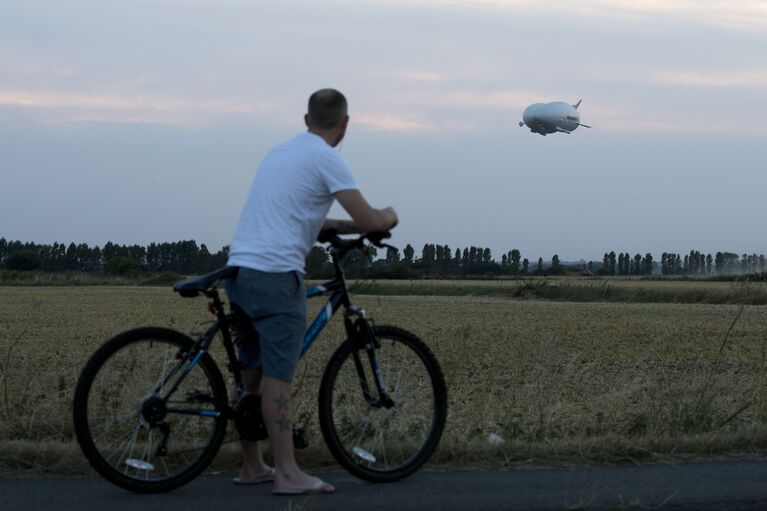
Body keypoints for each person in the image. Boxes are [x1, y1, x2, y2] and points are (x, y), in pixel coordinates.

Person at [225, 88, 398, 495]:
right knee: (277, 379)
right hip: (275, 277)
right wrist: (389, 216)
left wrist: (344, 228)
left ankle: (253, 466)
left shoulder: (280, 153)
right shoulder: (327, 159)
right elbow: (372, 219)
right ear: (345, 124)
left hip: (241, 272)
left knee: (250, 374)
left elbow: (314, 221)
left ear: (306, 120)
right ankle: (287, 474)